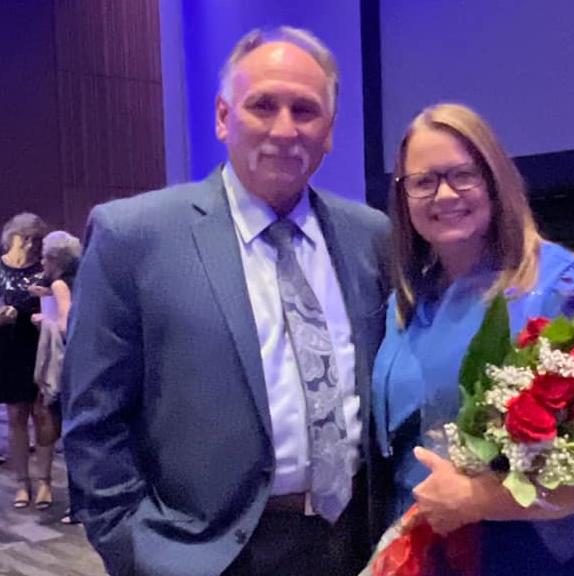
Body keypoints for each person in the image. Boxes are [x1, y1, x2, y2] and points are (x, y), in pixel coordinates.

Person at [62, 26, 390, 576]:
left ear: (329, 130)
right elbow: (93, 422)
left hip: (353, 544)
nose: (284, 129)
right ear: (222, 117)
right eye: (262, 105)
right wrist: (135, 550)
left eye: (305, 110)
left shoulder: (370, 235)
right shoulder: (134, 236)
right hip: (205, 554)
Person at [371, 103, 574, 575]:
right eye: (423, 181)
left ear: (495, 179)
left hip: (541, 562)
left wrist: (479, 499)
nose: (444, 194)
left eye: (463, 175)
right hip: (429, 557)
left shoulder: (567, 289)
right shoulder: (409, 302)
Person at [28, 230, 82, 513]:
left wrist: (43, 321)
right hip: (83, 365)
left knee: (54, 425)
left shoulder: (60, 284)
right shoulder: (82, 278)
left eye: (44, 258)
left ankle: (72, 502)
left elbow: (65, 325)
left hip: (66, 368)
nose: (41, 263)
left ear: (54, 259)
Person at [0, 212, 48, 509]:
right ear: (11, 236)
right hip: (8, 349)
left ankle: (44, 482)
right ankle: (21, 483)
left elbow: (57, 307)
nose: (29, 245)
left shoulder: (44, 270)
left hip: (38, 348)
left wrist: (43, 314)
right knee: (16, 416)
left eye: (35, 240)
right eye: (24, 238)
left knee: (42, 415)